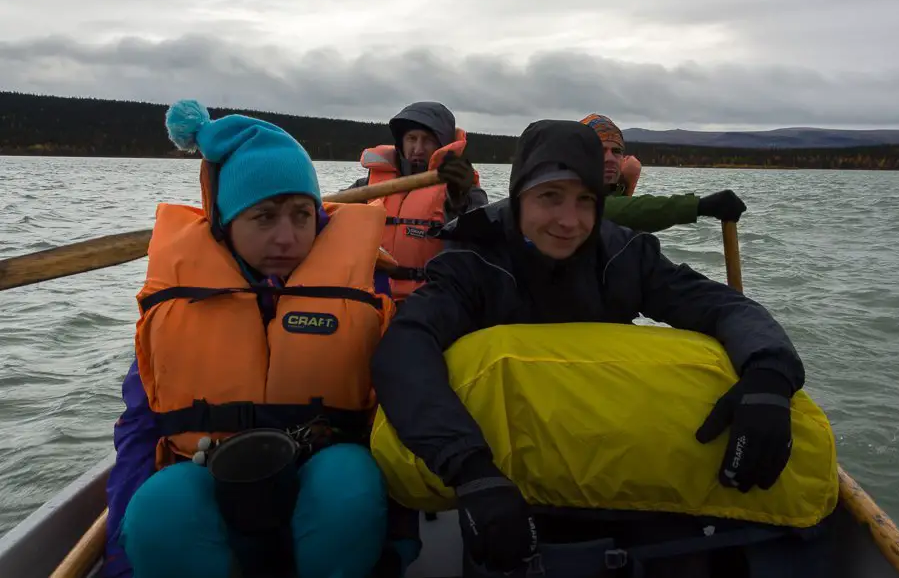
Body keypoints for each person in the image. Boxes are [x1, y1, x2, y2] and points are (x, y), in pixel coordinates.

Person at [370, 120, 817, 575]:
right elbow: (404, 349)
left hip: (613, 461)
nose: (570, 220)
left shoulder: (623, 254)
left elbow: (722, 306)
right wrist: (469, 470)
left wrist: (769, 375)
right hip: (506, 472)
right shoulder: (472, 259)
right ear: (519, 194)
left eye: (586, 200)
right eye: (551, 197)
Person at [103, 101, 414, 578]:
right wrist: (120, 559)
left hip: (323, 493)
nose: (287, 238)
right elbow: (141, 431)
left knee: (348, 479)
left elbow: (397, 415)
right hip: (210, 488)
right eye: (264, 218)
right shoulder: (177, 305)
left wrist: (398, 538)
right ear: (226, 225)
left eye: (301, 215)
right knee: (160, 507)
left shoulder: (366, 293)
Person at [350, 101, 488, 300]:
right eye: (412, 139)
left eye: (428, 140)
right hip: (369, 293)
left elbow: (481, 242)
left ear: (442, 144)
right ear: (401, 142)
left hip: (429, 299)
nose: (418, 148)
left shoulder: (463, 190)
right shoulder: (366, 186)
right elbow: (326, 216)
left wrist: (460, 199)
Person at [580, 113, 749, 232]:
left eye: (616, 151)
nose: (609, 158)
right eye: (600, 150)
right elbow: (620, 210)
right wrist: (700, 206)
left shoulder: (618, 198)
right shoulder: (572, 201)